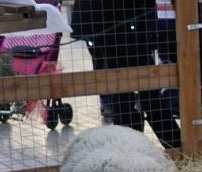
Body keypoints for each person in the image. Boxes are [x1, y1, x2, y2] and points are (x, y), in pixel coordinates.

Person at [71, 0, 181, 148]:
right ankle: (161, 146)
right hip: (111, 25)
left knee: (138, 93)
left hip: (121, 24)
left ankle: (169, 146)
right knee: (131, 94)